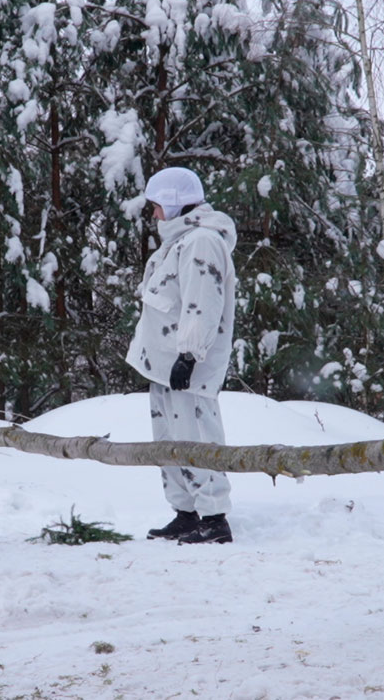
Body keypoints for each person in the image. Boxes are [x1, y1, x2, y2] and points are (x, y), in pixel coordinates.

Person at [125, 167, 238, 544]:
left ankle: (214, 518)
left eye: (157, 205)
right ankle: (186, 513)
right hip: (164, 365)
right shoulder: (180, 240)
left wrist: (188, 356)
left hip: (186, 364)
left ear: (174, 202)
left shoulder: (201, 242)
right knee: (169, 437)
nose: (154, 214)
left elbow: (202, 302)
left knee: (196, 434)